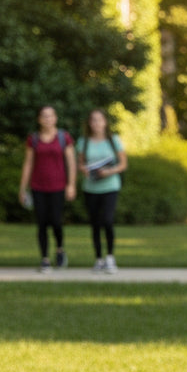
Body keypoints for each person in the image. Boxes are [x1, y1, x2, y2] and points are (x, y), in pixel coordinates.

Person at [18, 105, 76, 273]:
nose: (47, 119)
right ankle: (44, 259)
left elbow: (71, 163)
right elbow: (28, 164)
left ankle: (59, 249)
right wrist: (23, 188)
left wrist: (71, 185)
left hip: (58, 186)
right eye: (44, 116)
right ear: (39, 119)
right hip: (38, 186)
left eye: (50, 116)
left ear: (55, 118)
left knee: (56, 221)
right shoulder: (34, 139)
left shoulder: (64, 137)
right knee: (42, 223)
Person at [77, 109, 128, 274]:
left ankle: (110, 257)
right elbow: (80, 163)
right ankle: (98, 258)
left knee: (107, 220)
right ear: (89, 123)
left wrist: (109, 172)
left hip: (110, 186)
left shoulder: (114, 140)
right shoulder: (83, 142)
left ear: (105, 122)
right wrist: (84, 170)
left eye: (99, 120)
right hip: (91, 187)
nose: (96, 123)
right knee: (95, 223)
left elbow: (122, 164)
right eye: (93, 120)